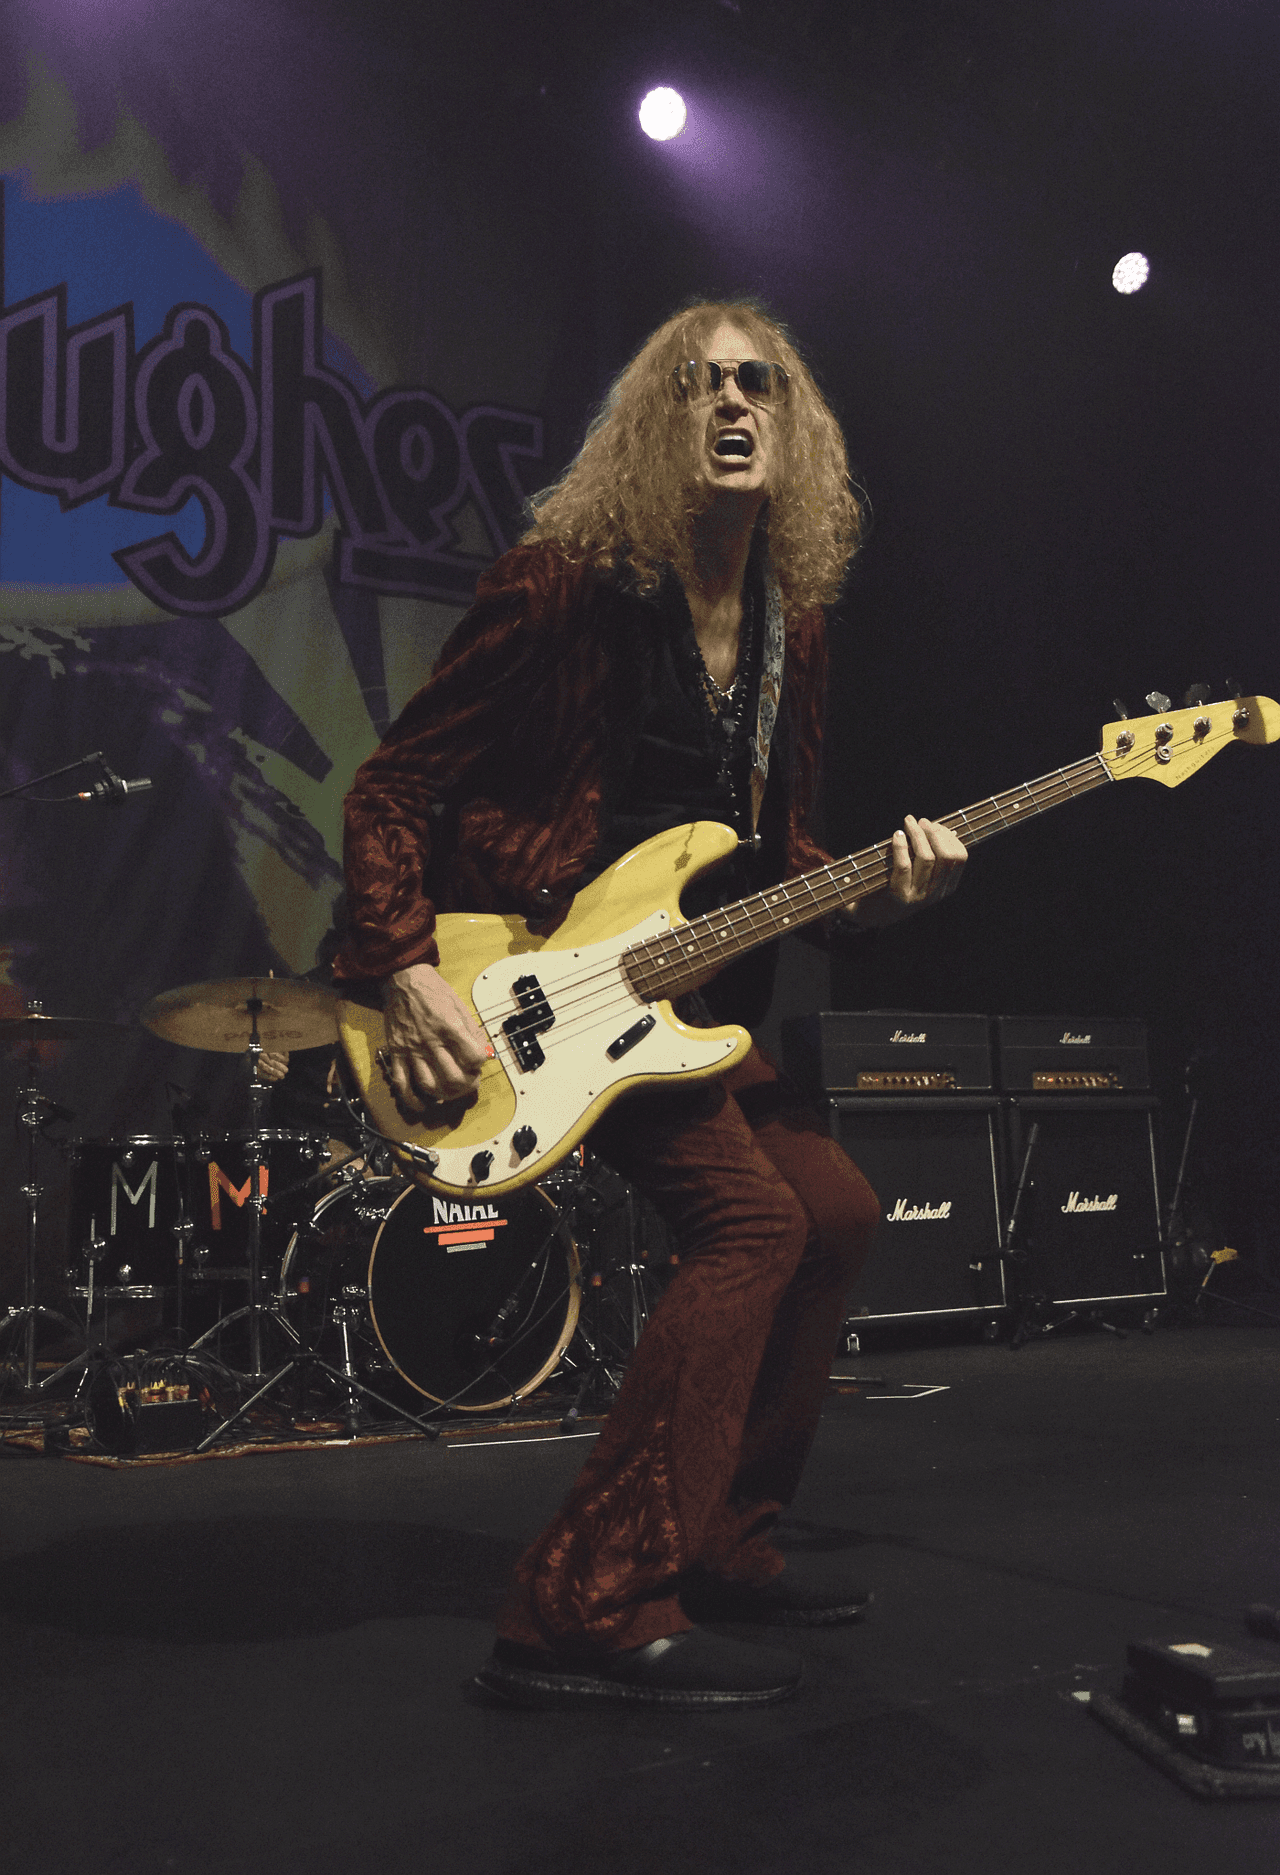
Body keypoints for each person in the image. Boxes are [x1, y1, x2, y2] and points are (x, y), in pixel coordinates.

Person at [335, 300, 967, 1708]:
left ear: (794, 426)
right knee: (754, 1225)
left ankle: (722, 1539)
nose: (733, 401)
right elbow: (392, 786)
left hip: (689, 1006)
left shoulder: (795, 628)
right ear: (653, 424)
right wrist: (402, 966)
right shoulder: (560, 588)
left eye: (759, 383)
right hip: (535, 988)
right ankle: (585, 1604)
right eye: (698, 383)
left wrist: (881, 892)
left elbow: (777, 856)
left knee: (836, 1214)